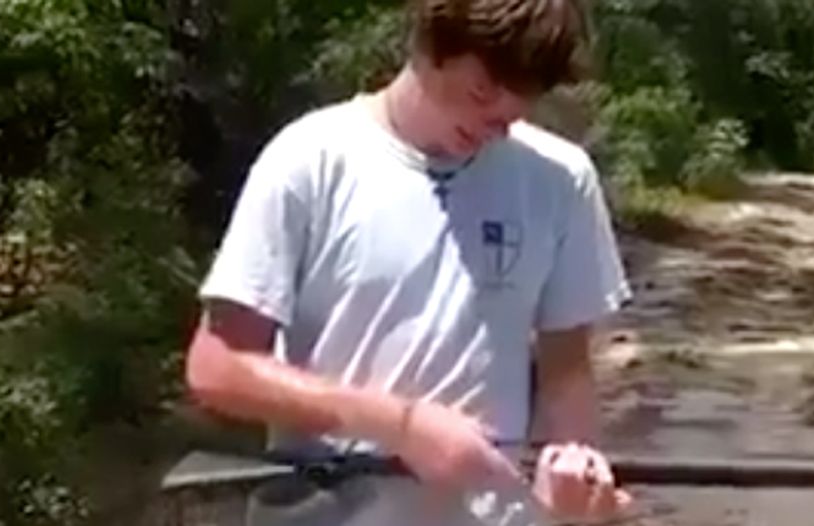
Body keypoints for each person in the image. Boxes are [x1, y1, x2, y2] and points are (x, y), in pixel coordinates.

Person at [185, 0, 633, 524]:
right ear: (430, 42)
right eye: (483, 91)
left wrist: (576, 471)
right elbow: (218, 367)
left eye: (519, 103)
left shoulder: (561, 178)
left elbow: (566, 366)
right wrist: (400, 425)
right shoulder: (309, 160)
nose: (499, 120)